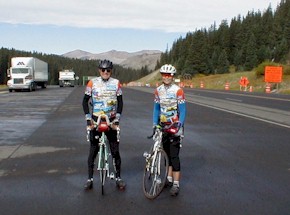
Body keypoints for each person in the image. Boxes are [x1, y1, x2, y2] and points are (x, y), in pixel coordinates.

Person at [82, 59, 125, 190]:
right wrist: (88, 118)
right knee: (93, 151)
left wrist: (117, 118)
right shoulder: (92, 83)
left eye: (108, 70)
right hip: (96, 120)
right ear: (99, 70)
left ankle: (118, 178)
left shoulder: (116, 83)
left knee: (115, 151)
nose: (105, 72)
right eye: (103, 70)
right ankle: (89, 179)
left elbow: (120, 102)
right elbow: (85, 102)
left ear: (111, 71)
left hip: (111, 120)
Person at [152, 64, 186, 196]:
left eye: (169, 75)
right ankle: (169, 179)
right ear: (162, 76)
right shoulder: (158, 90)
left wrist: (179, 125)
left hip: (174, 126)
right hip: (163, 126)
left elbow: (183, 111)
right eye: (164, 75)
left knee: (174, 155)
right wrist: (155, 123)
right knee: (166, 155)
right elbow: (156, 108)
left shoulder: (178, 91)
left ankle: (176, 184)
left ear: (172, 76)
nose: (166, 77)